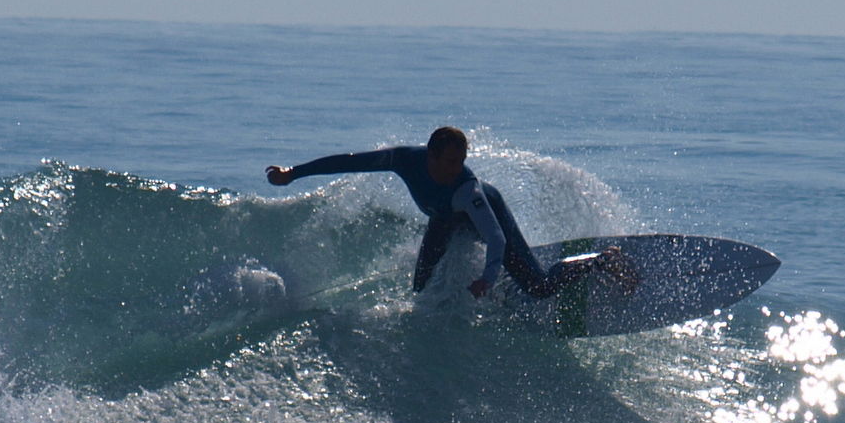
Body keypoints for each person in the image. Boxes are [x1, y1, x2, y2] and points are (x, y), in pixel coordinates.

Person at [266, 127, 636, 299]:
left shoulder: (468, 190)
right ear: (430, 155)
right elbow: (347, 163)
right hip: (443, 221)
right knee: (420, 288)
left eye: (462, 160)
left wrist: (487, 278)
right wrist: (294, 173)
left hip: (486, 217)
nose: (457, 166)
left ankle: (603, 261)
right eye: (450, 160)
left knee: (537, 287)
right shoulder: (404, 160)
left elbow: (494, 236)